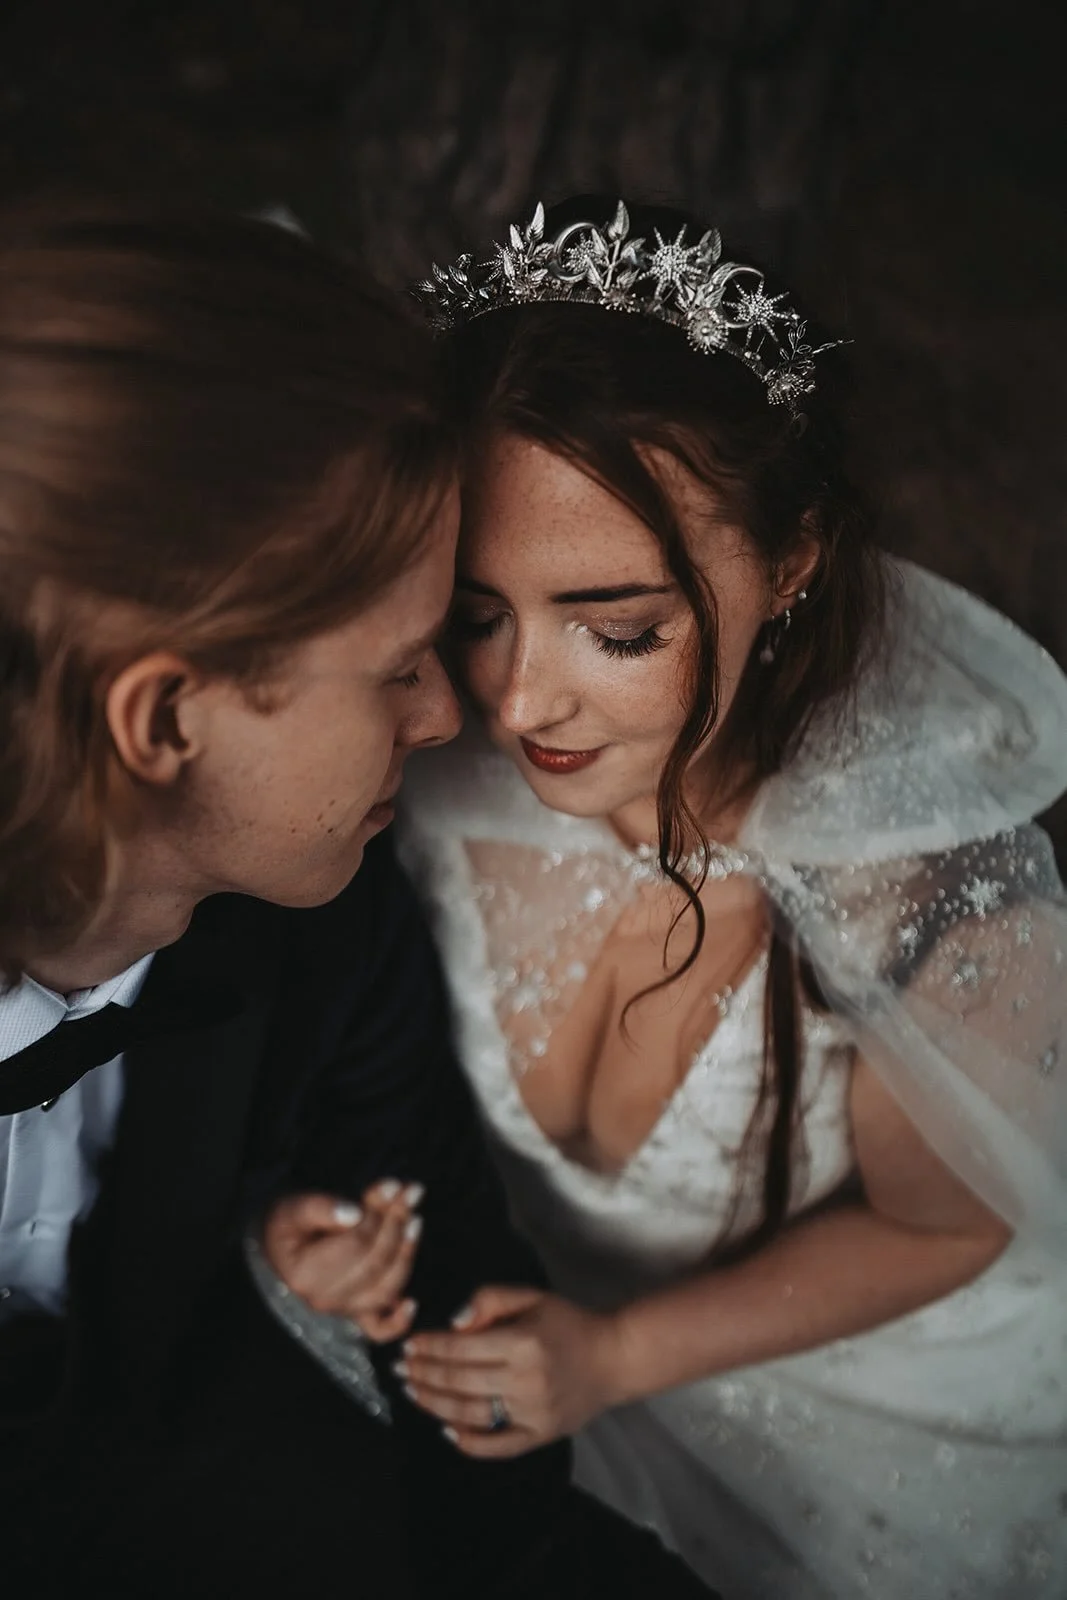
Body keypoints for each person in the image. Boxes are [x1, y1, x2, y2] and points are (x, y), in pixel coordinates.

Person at [0, 201, 713, 1599]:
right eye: (396, 663)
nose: (451, 715)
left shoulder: (327, 930)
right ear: (161, 723)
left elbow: (451, 1297)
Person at [394, 196, 1067, 1598]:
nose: (519, 696)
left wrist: (617, 1356)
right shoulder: (427, 764)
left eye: (619, 628)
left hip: (874, 1420)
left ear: (792, 563)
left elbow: (946, 1222)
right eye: (474, 607)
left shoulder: (924, 895)